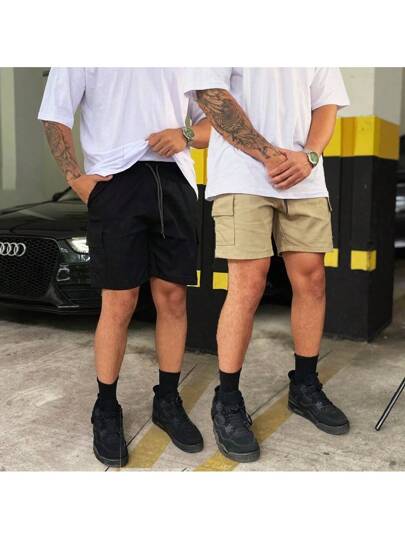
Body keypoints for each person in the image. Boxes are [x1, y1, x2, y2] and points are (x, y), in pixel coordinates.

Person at [39, 68, 211, 467]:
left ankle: (167, 400)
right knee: (119, 301)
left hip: (176, 180)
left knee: (173, 298)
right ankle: (105, 407)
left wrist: (185, 134)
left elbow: (213, 122)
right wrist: (75, 178)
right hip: (114, 180)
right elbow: (54, 115)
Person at [184, 68, 351, 463]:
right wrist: (270, 155)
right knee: (247, 285)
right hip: (242, 176)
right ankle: (227, 399)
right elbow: (213, 99)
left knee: (312, 281)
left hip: (304, 177)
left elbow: (326, 103)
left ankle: (305, 387)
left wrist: (310, 156)